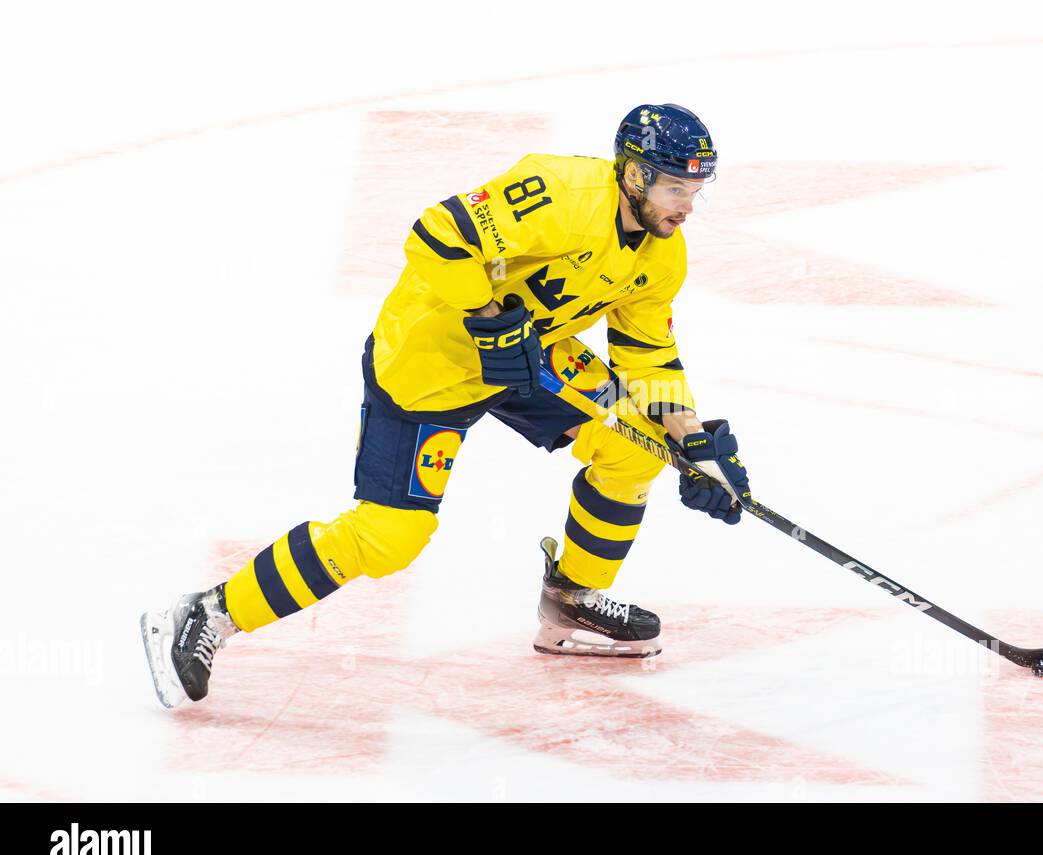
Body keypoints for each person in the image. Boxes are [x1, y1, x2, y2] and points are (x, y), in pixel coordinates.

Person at [141, 104, 752, 709]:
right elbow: (436, 234)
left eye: (697, 189)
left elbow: (649, 354)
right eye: (677, 187)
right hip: (430, 359)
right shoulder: (559, 190)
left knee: (635, 447)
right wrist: (490, 321)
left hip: (528, 359)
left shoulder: (662, 253)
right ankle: (207, 614)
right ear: (635, 175)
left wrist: (696, 445)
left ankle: (572, 602)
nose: (687, 205)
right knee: (390, 536)